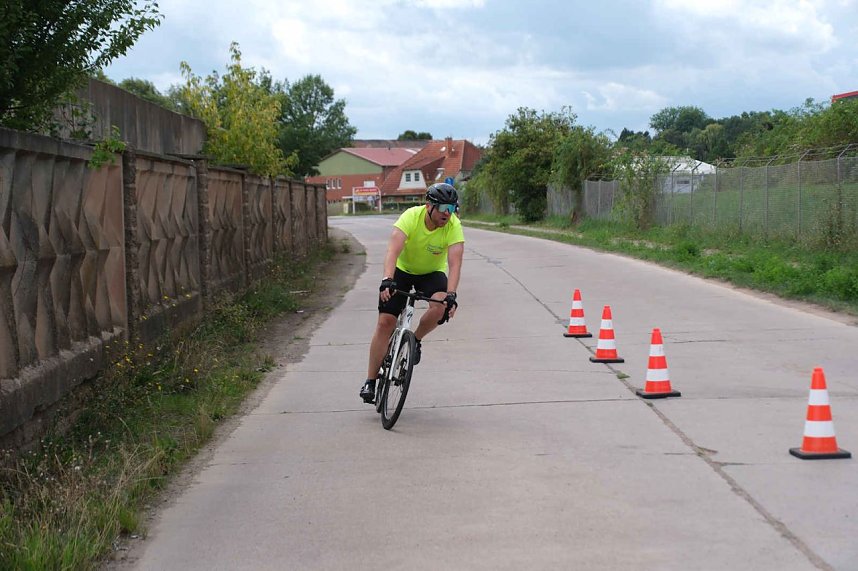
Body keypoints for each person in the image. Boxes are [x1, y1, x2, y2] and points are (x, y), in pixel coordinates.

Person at [360, 182, 465, 403]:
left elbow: (455, 264)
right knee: (385, 323)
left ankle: (415, 340)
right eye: (443, 207)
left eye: (452, 208)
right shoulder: (411, 217)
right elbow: (392, 250)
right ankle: (370, 380)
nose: (448, 213)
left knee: (440, 307)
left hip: (431, 273)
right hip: (402, 270)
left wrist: (452, 294)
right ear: (429, 206)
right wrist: (387, 279)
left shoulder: (453, 225)